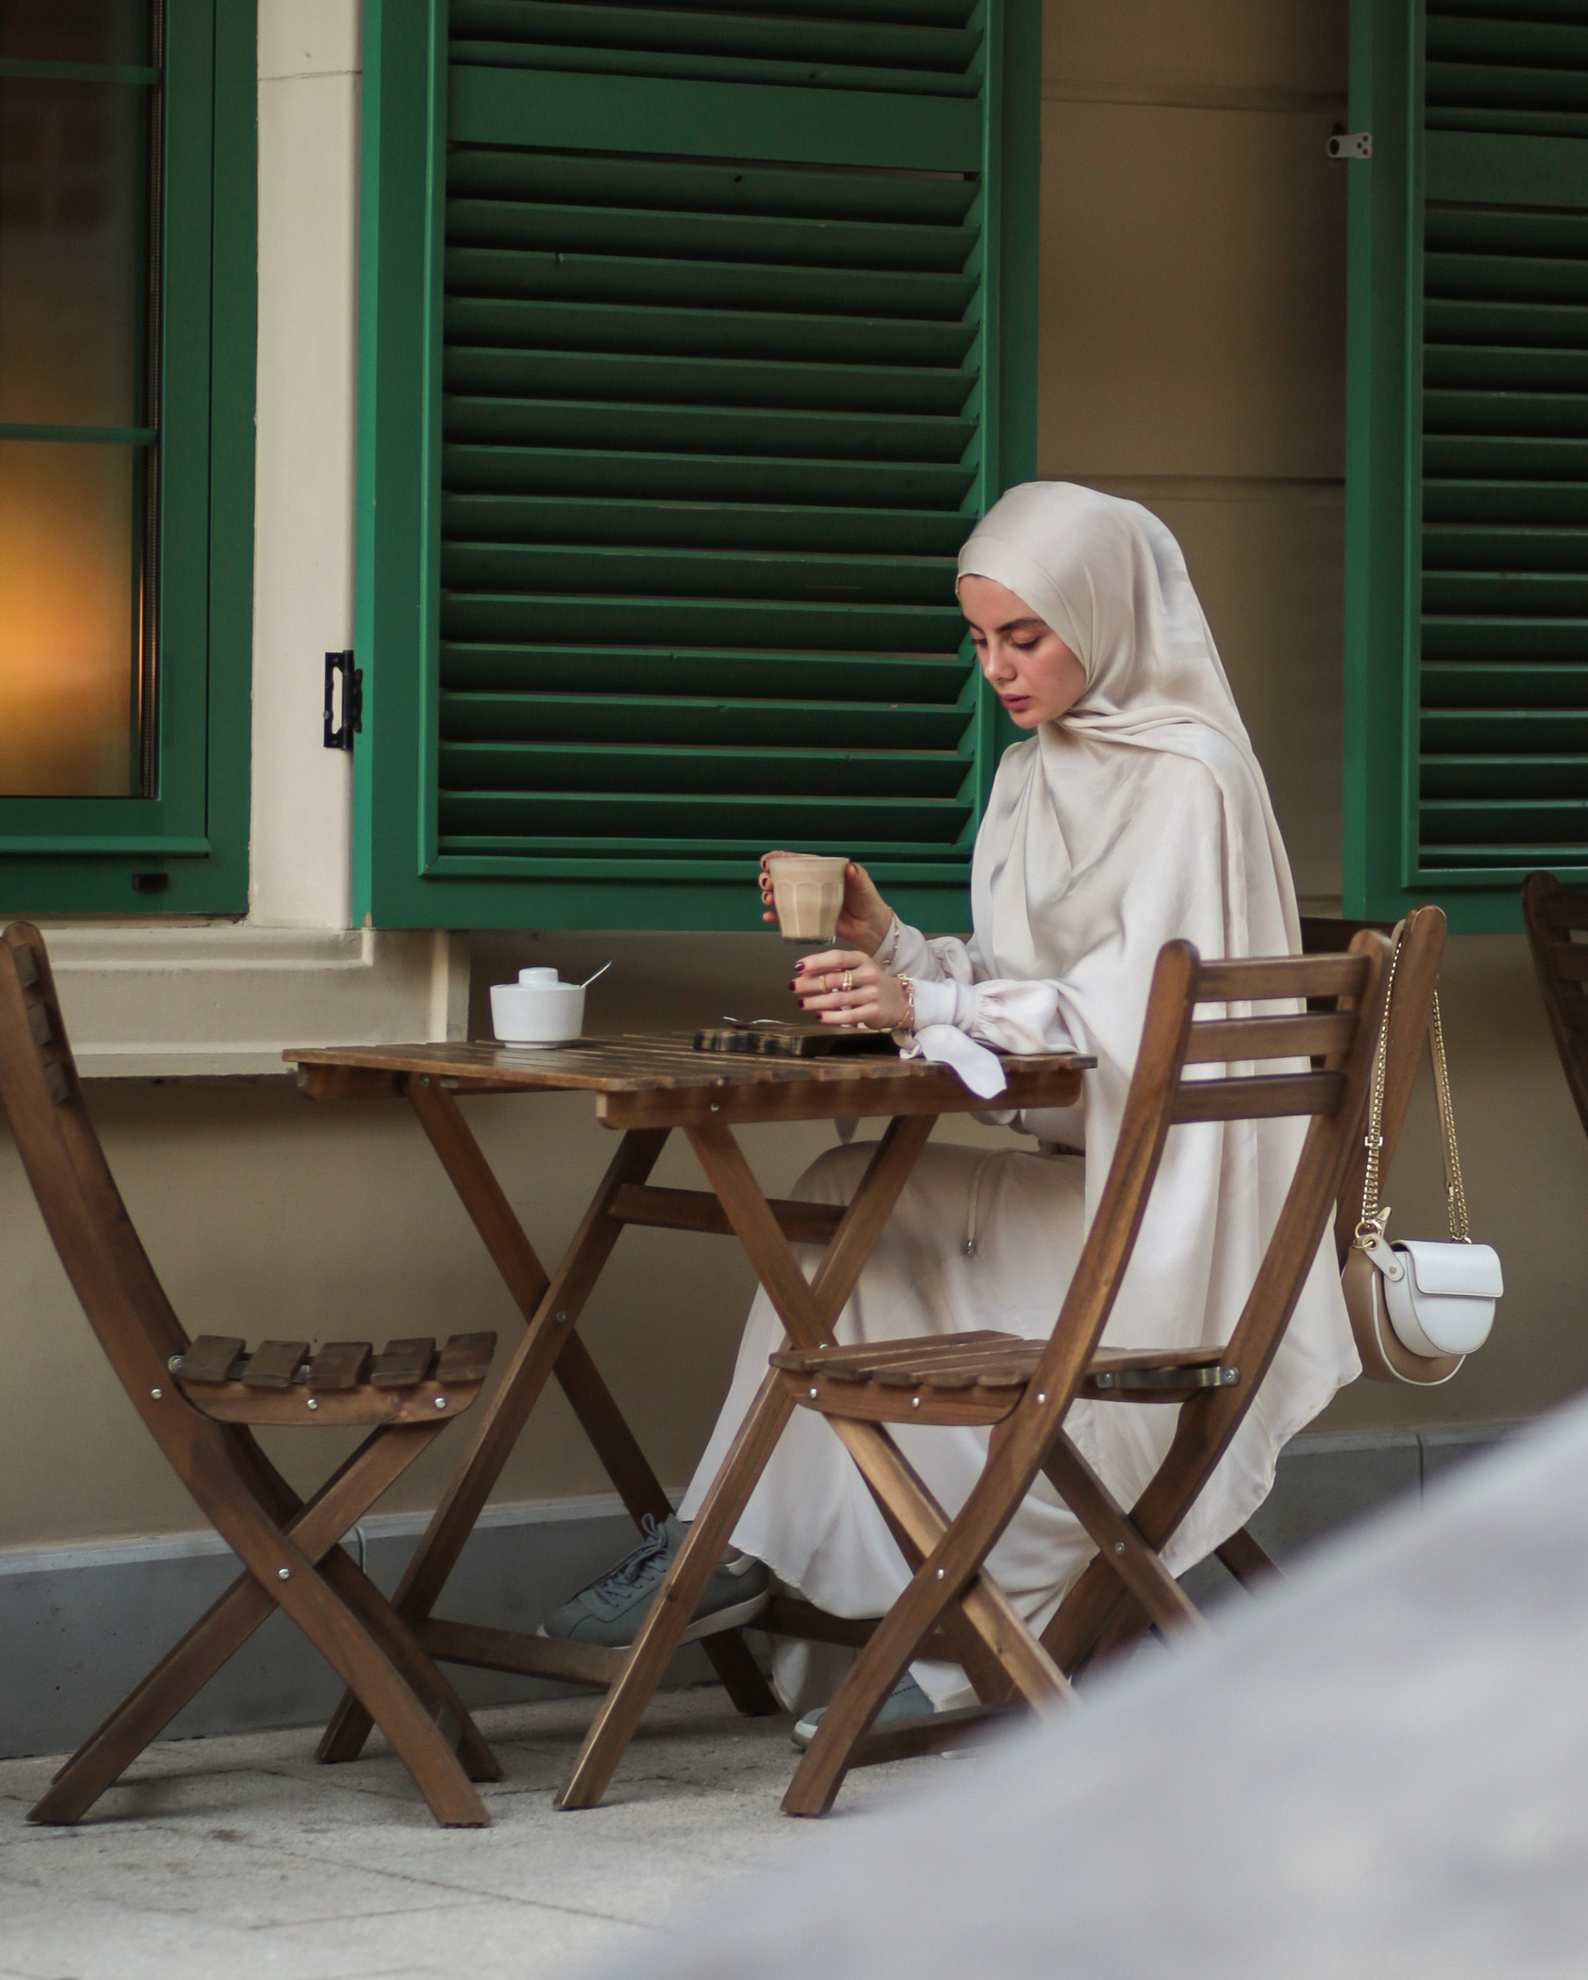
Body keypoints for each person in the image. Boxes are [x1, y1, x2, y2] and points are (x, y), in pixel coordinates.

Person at [542, 480, 1359, 1732]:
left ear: (1105, 614)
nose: (998, 669)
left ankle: (806, 1578)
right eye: (978, 640)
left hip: (1177, 1235)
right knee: (837, 1192)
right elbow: (1032, 987)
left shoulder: (1194, 780)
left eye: (1023, 636)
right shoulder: (1035, 776)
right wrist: (905, 954)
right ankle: (738, 1542)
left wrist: (922, 1011)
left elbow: (1131, 1022)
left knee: (851, 1209)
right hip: (1095, 1194)